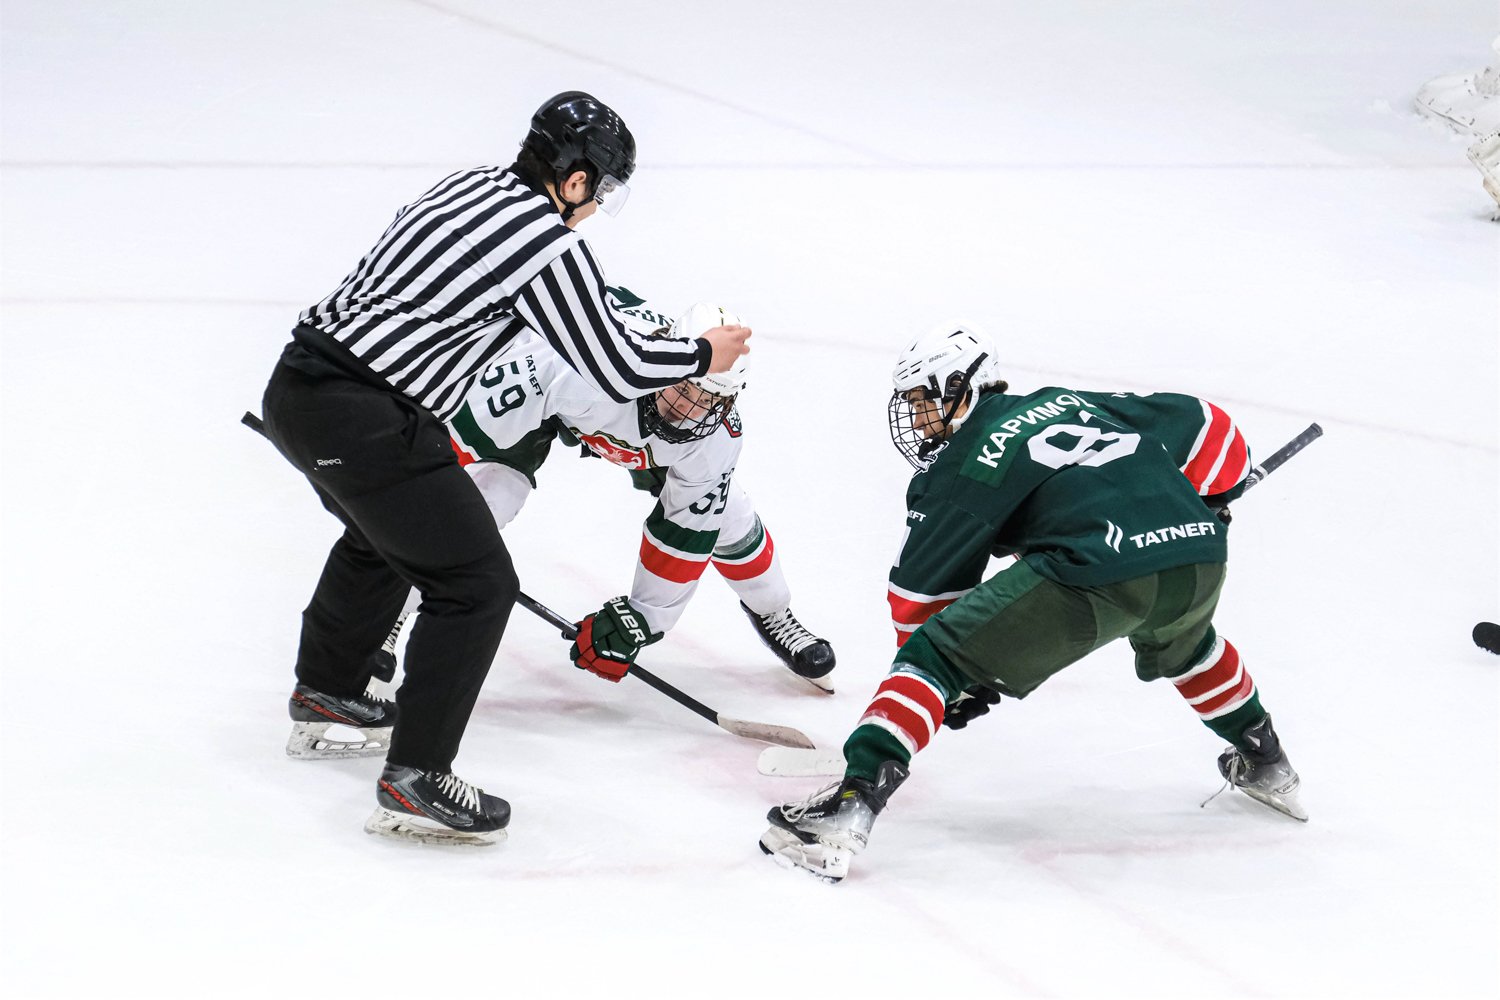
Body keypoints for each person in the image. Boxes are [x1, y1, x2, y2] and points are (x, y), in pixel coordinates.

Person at [259, 91, 751, 847]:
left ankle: (328, 691)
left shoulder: (468, 186)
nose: (594, 210)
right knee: (477, 585)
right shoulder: (542, 242)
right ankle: (417, 777)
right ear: (576, 179)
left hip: (302, 387)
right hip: (363, 416)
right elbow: (616, 365)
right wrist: (700, 356)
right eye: (599, 192)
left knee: (379, 538)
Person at [758, 324, 1305, 883]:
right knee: (1191, 649)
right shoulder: (1068, 401)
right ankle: (1267, 761)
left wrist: (952, 685)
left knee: (931, 658)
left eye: (923, 401)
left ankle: (848, 806)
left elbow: (918, 602)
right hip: (1199, 556)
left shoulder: (963, 464)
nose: (917, 419)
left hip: (1099, 569)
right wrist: (1210, 499)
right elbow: (1211, 428)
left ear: (960, 387)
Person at [369, 292, 836, 692]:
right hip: (548, 403)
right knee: (483, 498)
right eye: (685, 388)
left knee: (727, 514)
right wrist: (399, 484)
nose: (687, 409)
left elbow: (684, 537)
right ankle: (388, 608)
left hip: (623, 427)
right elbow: (456, 443)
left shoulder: (714, 438)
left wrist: (643, 619)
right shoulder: (571, 368)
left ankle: (773, 611)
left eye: (708, 400)